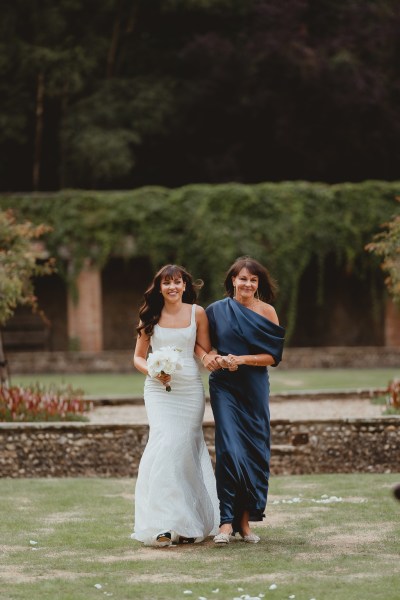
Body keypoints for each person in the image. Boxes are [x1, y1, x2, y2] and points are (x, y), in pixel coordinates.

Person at [131, 264, 220, 547]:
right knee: (165, 444)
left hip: (190, 390)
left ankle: (190, 522)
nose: (172, 287)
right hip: (159, 392)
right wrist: (153, 371)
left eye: (177, 282)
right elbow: (138, 357)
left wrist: (213, 359)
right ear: (159, 287)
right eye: (167, 283)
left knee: (184, 451)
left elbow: (204, 349)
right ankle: (164, 524)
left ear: (185, 286)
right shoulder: (150, 316)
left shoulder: (197, 313)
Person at [201, 256, 285, 545]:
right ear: (232, 281)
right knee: (229, 450)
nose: (247, 283)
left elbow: (273, 357)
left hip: (254, 387)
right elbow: (203, 345)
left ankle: (246, 523)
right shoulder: (215, 311)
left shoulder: (267, 312)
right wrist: (211, 358)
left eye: (253, 279)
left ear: (257, 284)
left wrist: (244, 359)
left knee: (254, 452)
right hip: (224, 387)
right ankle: (225, 522)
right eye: (243, 278)